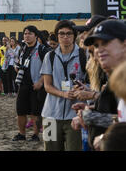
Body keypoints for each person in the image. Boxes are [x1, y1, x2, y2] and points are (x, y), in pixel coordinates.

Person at [76, 20, 126, 150]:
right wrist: (96, 107)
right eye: (96, 46)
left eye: (106, 43)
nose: (99, 50)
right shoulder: (119, 78)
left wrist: (92, 119)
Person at [41, 20, 85, 151]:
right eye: (61, 34)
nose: (65, 37)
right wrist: (64, 94)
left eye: (69, 34)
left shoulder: (84, 55)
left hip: (75, 115)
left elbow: (90, 82)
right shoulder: (50, 56)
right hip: (51, 114)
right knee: (50, 148)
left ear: (74, 35)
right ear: (57, 35)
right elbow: (47, 86)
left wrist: (82, 89)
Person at [12, 25, 49, 142]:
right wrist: (17, 68)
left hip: (36, 85)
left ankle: (35, 135)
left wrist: (40, 82)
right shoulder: (22, 49)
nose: (27, 36)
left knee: (35, 112)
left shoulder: (42, 50)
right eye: (25, 34)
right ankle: (21, 134)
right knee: (20, 111)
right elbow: (18, 63)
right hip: (23, 84)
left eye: (30, 34)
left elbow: (48, 68)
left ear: (36, 36)